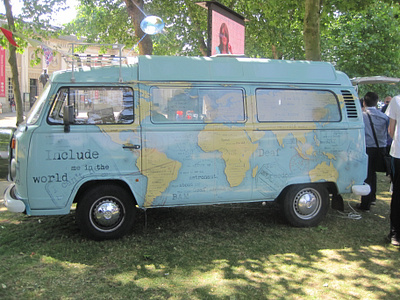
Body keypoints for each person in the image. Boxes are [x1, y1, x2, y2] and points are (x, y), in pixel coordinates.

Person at [356, 92, 389, 212]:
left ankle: (365, 204)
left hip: (368, 148)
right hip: (381, 148)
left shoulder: (362, 116)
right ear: (376, 102)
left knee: (367, 175)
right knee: (373, 173)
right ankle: (373, 197)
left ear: (364, 102)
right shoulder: (384, 117)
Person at [385, 95, 400, 246]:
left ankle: (396, 234)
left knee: (397, 194)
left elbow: (391, 130)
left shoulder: (396, 100)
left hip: (399, 153)